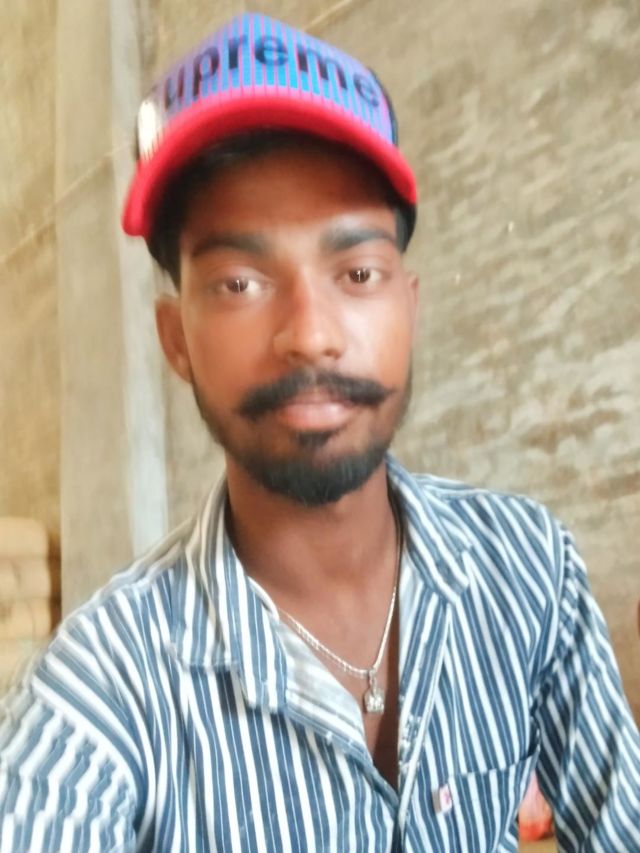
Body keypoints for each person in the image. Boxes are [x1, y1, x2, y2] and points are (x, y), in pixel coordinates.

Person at [1, 12, 639, 852]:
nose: (310, 333)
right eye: (239, 282)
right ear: (176, 339)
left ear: (409, 306)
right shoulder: (100, 696)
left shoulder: (527, 568)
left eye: (358, 272)